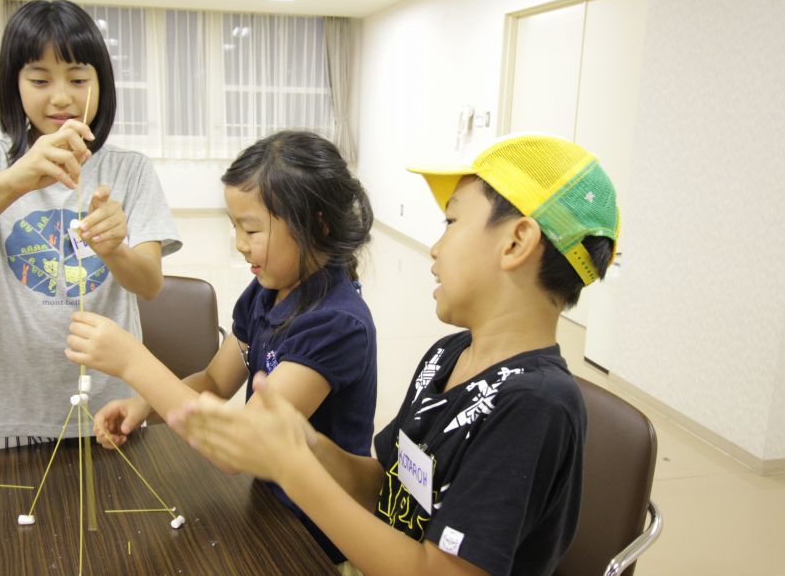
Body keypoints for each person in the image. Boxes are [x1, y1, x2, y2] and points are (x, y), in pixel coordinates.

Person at [167, 134, 621, 576]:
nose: (436, 247)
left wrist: (295, 470)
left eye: (451, 223)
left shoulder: (534, 406)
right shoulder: (447, 356)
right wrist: (307, 444)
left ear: (517, 242)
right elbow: (386, 487)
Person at [64, 130, 377, 563]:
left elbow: (243, 447)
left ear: (317, 225)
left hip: (316, 535)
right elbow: (214, 379)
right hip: (269, 506)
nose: (239, 243)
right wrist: (143, 406)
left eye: (251, 228)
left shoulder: (335, 324)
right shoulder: (267, 292)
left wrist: (133, 362)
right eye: (235, 227)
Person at [0, 0, 181, 451]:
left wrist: (114, 249)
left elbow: (148, 285)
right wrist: (12, 181)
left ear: (100, 85)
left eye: (77, 79)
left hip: (109, 413)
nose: (61, 97)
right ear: (15, 84)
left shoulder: (130, 171)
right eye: (39, 79)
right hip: (9, 412)